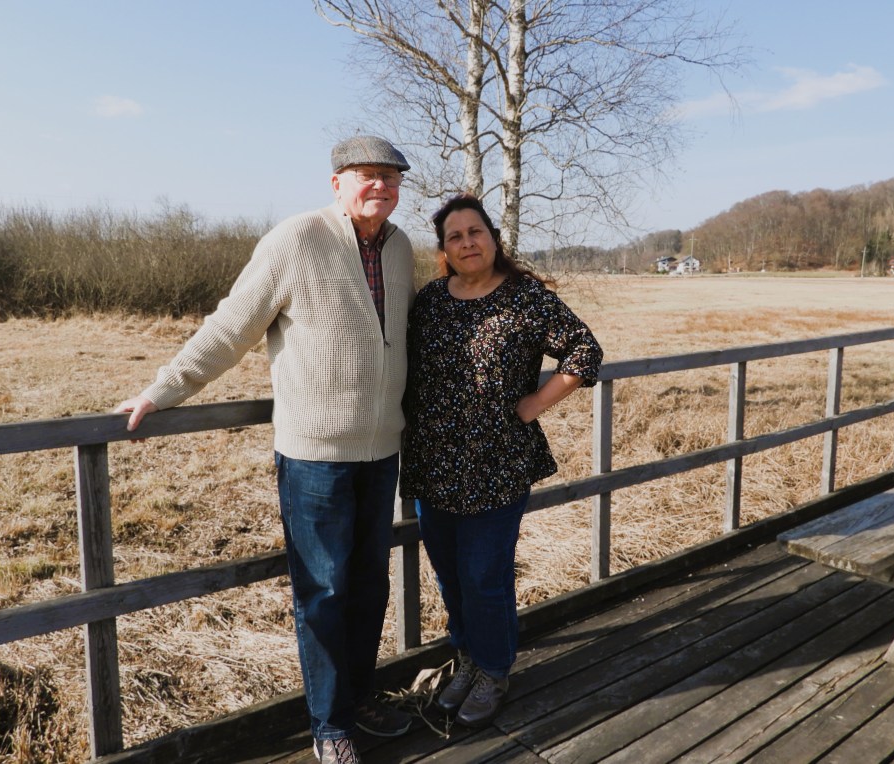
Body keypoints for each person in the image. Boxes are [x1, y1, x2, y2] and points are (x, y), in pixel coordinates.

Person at [114, 135, 417, 764]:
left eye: (391, 178)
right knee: (325, 592)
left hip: (381, 449)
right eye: (367, 176)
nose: (380, 187)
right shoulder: (296, 239)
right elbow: (232, 326)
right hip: (315, 455)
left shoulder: (401, 248)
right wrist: (162, 389)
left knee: (369, 586)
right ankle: (330, 726)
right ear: (336, 182)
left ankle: (360, 698)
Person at [399, 193, 603, 728]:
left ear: (493, 237)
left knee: (484, 574)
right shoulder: (429, 300)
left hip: (497, 462)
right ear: (444, 249)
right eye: (455, 237)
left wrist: (533, 404)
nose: (467, 242)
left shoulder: (526, 298)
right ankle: (466, 658)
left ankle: (494, 670)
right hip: (433, 462)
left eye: (475, 232)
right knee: (449, 576)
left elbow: (584, 350)